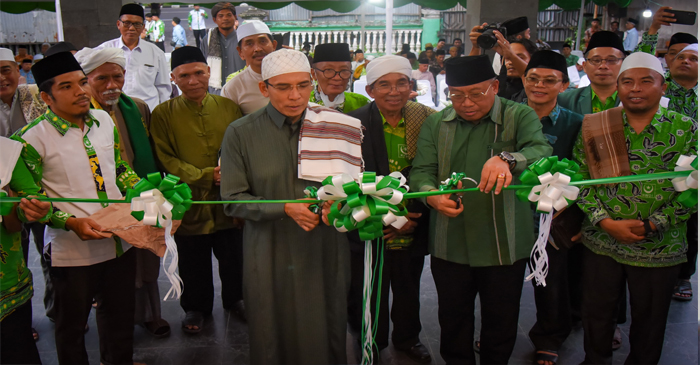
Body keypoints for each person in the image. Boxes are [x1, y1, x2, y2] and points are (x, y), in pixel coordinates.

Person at [220, 48, 362, 364]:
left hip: (324, 246)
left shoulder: (337, 127)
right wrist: (284, 207)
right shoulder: (241, 133)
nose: (295, 95)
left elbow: (357, 187)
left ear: (312, 82)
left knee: (327, 325)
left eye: (302, 85)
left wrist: (341, 206)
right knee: (272, 329)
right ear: (264, 88)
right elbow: (231, 199)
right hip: (269, 249)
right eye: (283, 87)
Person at [409, 54, 552, 365]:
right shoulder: (437, 123)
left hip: (504, 240)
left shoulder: (520, 116)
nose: (466, 102)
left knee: (501, 318)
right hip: (451, 241)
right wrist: (432, 197)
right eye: (456, 95)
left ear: (495, 86)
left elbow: (541, 149)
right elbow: (422, 172)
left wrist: (509, 159)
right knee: (453, 317)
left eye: (476, 93)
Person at [12, 50, 142, 365]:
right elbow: (34, 201)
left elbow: (120, 171)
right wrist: (71, 223)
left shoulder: (102, 120)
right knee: (71, 330)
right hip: (72, 254)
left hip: (120, 244)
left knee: (121, 322)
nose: (81, 91)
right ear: (46, 96)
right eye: (67, 86)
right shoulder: (29, 140)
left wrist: (147, 193)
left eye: (82, 82)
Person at [572, 51, 697, 365]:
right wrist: (604, 221)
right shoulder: (595, 125)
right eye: (626, 82)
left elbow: (695, 189)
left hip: (660, 247)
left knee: (651, 321)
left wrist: (655, 224)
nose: (635, 88)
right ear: (618, 88)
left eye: (645, 81)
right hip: (601, 242)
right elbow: (577, 179)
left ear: (663, 86)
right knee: (596, 314)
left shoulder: (687, 130)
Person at [74, 46, 170, 337]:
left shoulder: (137, 107)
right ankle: (117, 322)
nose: (112, 85)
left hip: (138, 192)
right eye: (102, 79)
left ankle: (151, 315)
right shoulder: (79, 114)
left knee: (145, 257)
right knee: (111, 267)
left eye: (117, 76)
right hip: (99, 201)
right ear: (86, 80)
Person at [347, 54, 436, 363]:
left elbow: (432, 170)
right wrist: (379, 214)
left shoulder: (425, 118)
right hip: (371, 220)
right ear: (371, 90)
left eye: (401, 83)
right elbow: (349, 175)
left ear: (411, 86)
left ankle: (408, 338)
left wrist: (414, 217)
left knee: (409, 284)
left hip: (412, 218)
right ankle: (371, 338)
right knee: (369, 285)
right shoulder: (355, 123)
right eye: (384, 85)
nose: (394, 91)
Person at [150, 47, 245, 334]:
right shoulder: (163, 113)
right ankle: (195, 307)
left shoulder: (229, 107)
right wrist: (204, 176)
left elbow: (242, 148)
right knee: (193, 259)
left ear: (208, 74)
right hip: (188, 200)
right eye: (185, 76)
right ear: (173, 78)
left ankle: (236, 300)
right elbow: (165, 158)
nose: (193, 81)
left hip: (227, 198)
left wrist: (231, 175)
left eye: (199, 73)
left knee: (233, 255)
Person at [521, 50, 584, 365]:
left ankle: (548, 337)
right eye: (533, 79)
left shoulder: (577, 124)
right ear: (523, 80)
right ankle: (498, 331)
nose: (539, 86)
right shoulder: (506, 116)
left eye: (549, 80)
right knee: (501, 281)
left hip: (553, 216)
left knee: (553, 281)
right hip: (509, 214)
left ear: (564, 85)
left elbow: (585, 170)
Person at [0, 136, 52, 365]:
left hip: (6, 281)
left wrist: (19, 205)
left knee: (16, 350)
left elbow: (30, 201)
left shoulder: (5, 153)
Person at [665, 43, 698, 302]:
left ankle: (683, 276)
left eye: (693, 58)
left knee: (691, 223)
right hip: (656, 166)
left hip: (693, 171)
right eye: (680, 57)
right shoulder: (658, 87)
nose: (686, 61)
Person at [97, 3, 171, 111]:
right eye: (127, 23)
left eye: (137, 24)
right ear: (118, 24)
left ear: (143, 27)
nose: (131, 28)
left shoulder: (156, 53)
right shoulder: (104, 50)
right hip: (116, 112)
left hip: (148, 113)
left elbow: (163, 88)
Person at [559, 31, 625, 116]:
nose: (603, 66)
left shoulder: (637, 100)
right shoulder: (564, 101)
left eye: (611, 60)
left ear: (624, 65)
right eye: (596, 60)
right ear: (585, 66)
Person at [221, 20, 277, 114]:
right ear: (240, 52)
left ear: (274, 46)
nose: (258, 49)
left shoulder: (292, 77)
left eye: (263, 41)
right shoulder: (232, 88)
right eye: (249, 44)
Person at [309, 43, 370, 113]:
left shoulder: (362, 104)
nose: (337, 78)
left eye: (344, 70)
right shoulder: (302, 104)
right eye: (329, 70)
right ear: (314, 74)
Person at [200, 2, 246, 94]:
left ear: (235, 17)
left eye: (229, 15)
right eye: (221, 16)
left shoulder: (243, 38)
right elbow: (202, 64)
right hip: (216, 91)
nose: (225, 18)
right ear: (214, 19)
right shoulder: (208, 40)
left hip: (241, 89)